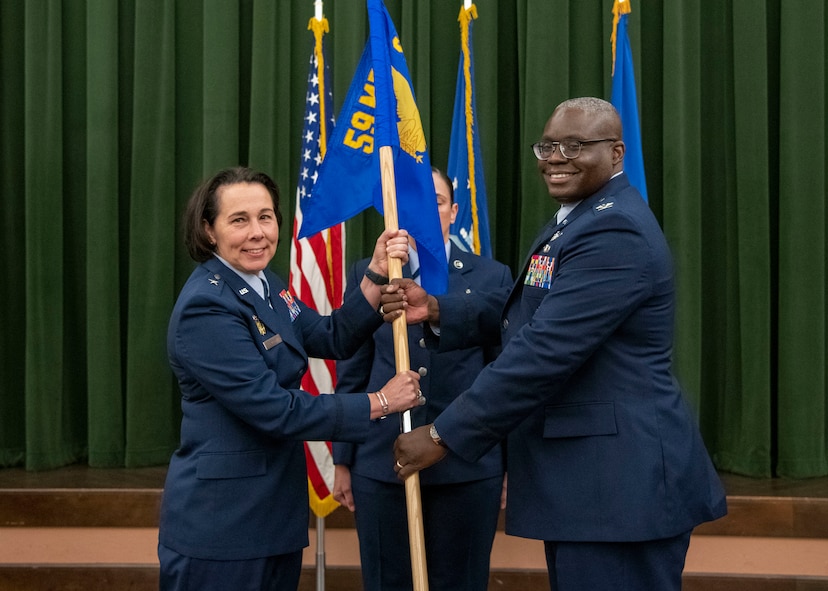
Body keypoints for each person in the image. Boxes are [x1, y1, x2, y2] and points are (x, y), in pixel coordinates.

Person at [389, 98, 727, 591]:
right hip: (594, 489)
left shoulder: (614, 229)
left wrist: (444, 435)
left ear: (616, 153)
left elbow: (545, 350)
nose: (555, 157)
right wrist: (439, 310)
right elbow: (532, 309)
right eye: (547, 145)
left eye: (575, 145)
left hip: (617, 490)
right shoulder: (580, 216)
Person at [158, 166, 423, 591]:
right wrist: (381, 402)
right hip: (223, 526)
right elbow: (275, 409)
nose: (257, 232)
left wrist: (374, 273)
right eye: (239, 220)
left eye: (265, 216)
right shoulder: (205, 307)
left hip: (271, 518)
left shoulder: (266, 284)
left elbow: (330, 336)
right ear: (209, 231)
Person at [331, 167, 513, 591]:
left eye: (436, 200)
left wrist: (508, 465)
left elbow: (504, 376)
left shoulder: (492, 276)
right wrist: (342, 460)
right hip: (381, 464)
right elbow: (351, 371)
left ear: (453, 211)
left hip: (467, 465)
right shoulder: (369, 273)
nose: (427, 210)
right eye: (414, 200)